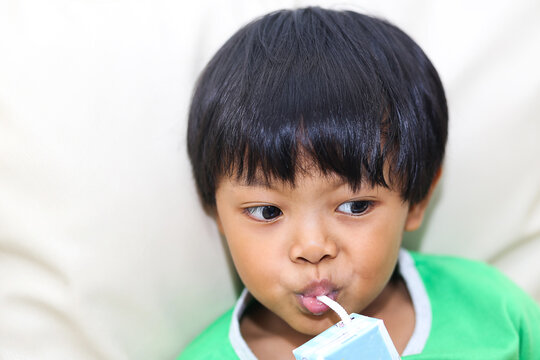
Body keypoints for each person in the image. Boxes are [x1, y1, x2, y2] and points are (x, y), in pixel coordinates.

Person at [178, 7, 540, 359]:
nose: (313, 247)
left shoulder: (494, 310)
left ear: (417, 199)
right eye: (267, 211)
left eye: (355, 206)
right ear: (215, 209)